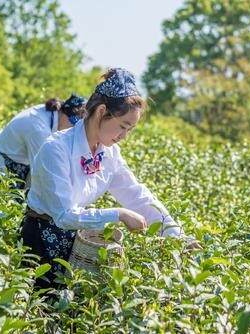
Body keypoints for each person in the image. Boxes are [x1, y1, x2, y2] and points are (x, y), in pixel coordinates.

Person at [21, 68, 199, 288]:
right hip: (42, 240)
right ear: (101, 111)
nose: (124, 136)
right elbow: (64, 215)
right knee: (42, 309)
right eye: (123, 126)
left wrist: (177, 235)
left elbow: (137, 195)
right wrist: (119, 214)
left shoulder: (109, 153)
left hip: (80, 240)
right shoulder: (56, 149)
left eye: (130, 130)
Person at [0, 94, 87, 189]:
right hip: (1, 166)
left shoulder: (49, 113)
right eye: (74, 125)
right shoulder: (39, 129)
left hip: (14, 160)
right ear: (65, 115)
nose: (73, 131)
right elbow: (39, 175)